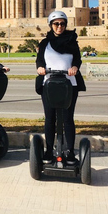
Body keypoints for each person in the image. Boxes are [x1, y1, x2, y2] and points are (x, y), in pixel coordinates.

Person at [36, 11, 86, 164]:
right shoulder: (45, 43)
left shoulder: (72, 41)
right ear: (51, 25)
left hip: (69, 84)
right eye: (56, 24)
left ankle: (70, 152)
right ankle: (49, 150)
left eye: (62, 24)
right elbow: (39, 61)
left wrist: (75, 68)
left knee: (67, 118)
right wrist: (40, 68)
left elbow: (77, 59)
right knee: (50, 118)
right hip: (49, 84)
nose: (59, 27)